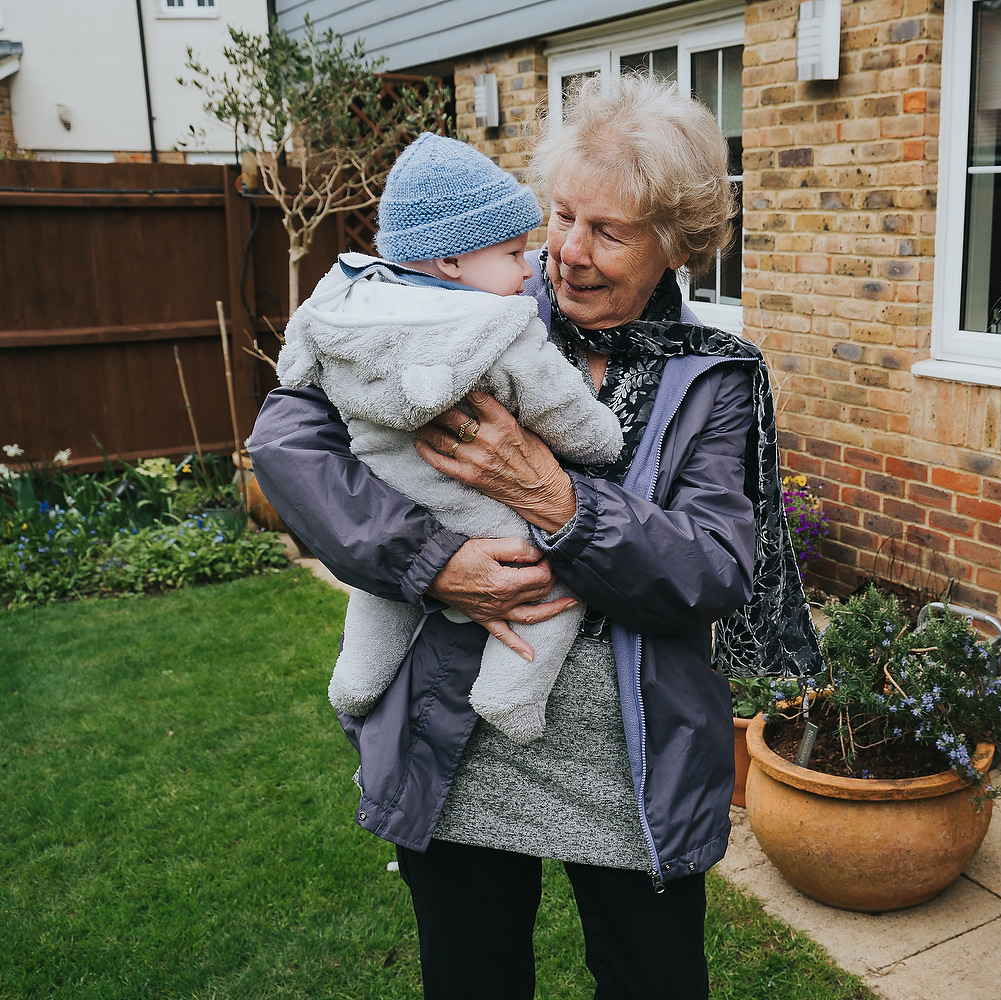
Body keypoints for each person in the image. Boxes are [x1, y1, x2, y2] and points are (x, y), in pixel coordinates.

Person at [245, 74, 821, 999]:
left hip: (631, 763)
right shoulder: (457, 316)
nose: (567, 253)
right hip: (454, 734)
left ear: (676, 244)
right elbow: (287, 439)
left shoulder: (716, 379)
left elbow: (713, 569)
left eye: (610, 231)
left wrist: (558, 503)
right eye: (558, 218)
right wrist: (433, 563)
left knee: (655, 984)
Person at [277, 132, 624, 745]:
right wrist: (602, 440)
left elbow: (295, 365)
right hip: (479, 515)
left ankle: (355, 680)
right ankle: (510, 695)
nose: (531, 268)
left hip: (391, 492)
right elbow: (561, 406)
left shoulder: (347, 307)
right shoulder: (498, 329)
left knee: (382, 591)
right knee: (555, 576)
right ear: (452, 262)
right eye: (515, 253)